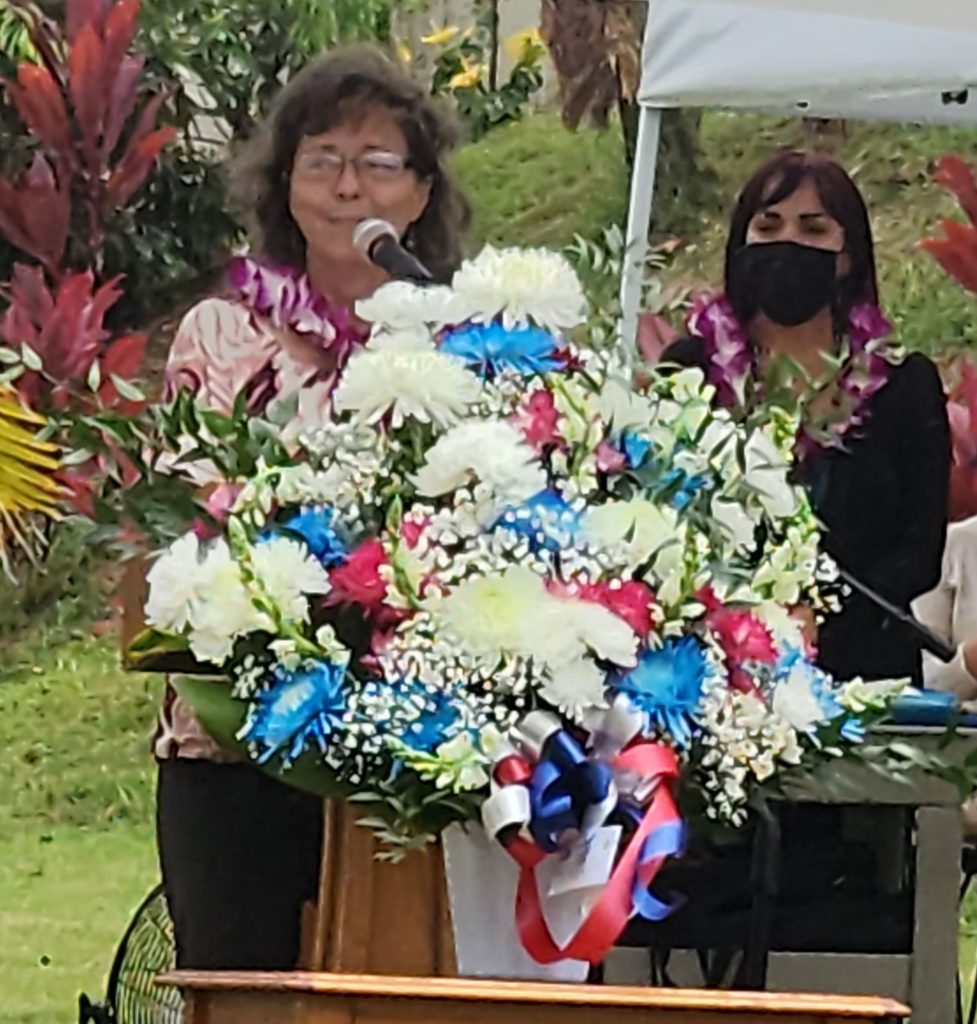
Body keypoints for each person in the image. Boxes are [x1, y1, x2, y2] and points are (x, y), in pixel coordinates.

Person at [153, 45, 471, 971]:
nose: (346, 187)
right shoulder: (222, 333)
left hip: (407, 744)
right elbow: (186, 513)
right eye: (321, 160)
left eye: (377, 163)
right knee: (238, 986)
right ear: (283, 185)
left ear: (420, 193)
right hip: (235, 738)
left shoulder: (460, 343)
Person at [662, 150, 950, 684]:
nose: (787, 243)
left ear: (847, 256)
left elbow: (918, 554)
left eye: (813, 230)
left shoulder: (904, 386)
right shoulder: (689, 372)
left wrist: (819, 613)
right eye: (768, 226)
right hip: (714, 673)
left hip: (865, 679)